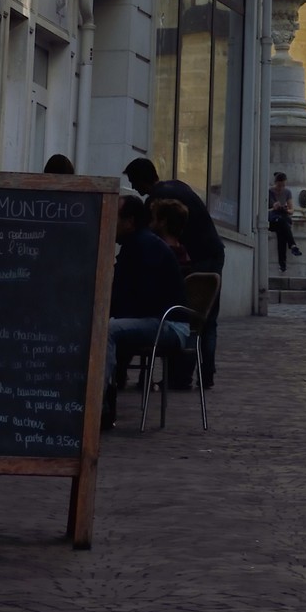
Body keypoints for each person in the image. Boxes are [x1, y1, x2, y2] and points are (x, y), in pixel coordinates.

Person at [124, 158, 225, 383]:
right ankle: (205, 374)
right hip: (213, 251)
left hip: (198, 257)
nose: (135, 189)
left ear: (142, 179)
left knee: (187, 313)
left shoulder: (157, 199)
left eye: (134, 182)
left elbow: (147, 236)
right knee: (206, 317)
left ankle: (180, 375)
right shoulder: (177, 185)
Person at [103, 195, 188, 428]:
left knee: (107, 330)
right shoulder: (139, 244)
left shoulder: (143, 246)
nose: (110, 223)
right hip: (159, 320)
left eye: (115, 218)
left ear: (129, 221)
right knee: (105, 327)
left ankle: (99, 402)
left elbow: (143, 298)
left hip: (168, 325)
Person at [149, 196, 193, 270]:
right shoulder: (185, 256)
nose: (150, 224)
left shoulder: (157, 255)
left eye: (153, 219)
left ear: (163, 222)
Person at [270, 172, 302, 271]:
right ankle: (292, 245)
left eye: (283, 185)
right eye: (279, 185)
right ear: (275, 183)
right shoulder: (269, 192)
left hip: (283, 219)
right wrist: (274, 207)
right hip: (272, 220)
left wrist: (286, 209)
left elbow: (292, 210)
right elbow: (262, 210)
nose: (281, 188)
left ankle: (282, 265)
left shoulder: (287, 192)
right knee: (283, 224)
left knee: (282, 233)